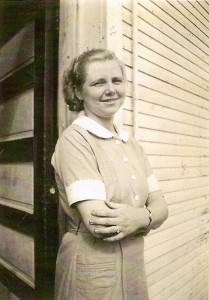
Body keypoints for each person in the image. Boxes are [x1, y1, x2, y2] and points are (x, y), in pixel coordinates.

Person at [51, 48, 168, 300]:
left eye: (116, 80)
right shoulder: (75, 141)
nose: (110, 90)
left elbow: (163, 208)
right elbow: (99, 223)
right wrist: (148, 216)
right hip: (92, 274)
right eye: (98, 83)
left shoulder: (131, 143)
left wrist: (138, 217)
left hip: (133, 268)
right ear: (78, 91)